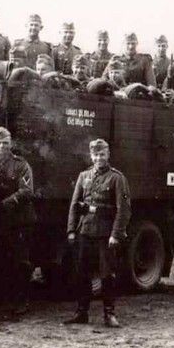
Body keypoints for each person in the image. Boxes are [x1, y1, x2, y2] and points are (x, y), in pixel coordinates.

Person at [65, 138, 130, 327]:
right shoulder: (83, 176)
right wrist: (71, 230)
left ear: (108, 155)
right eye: (95, 155)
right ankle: (81, 312)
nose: (99, 158)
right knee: (82, 273)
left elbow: (123, 209)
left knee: (107, 274)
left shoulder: (117, 178)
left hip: (105, 233)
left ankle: (109, 314)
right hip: (85, 231)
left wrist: (115, 234)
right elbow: (74, 205)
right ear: (91, 156)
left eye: (102, 154)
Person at [0, 127, 36, 319]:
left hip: (19, 220)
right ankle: (2, 299)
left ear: (11, 144)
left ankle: (21, 301)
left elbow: (26, 190)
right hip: (0, 221)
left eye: (5, 143)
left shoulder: (21, 165)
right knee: (0, 260)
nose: (2, 146)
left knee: (21, 262)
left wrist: (5, 203)